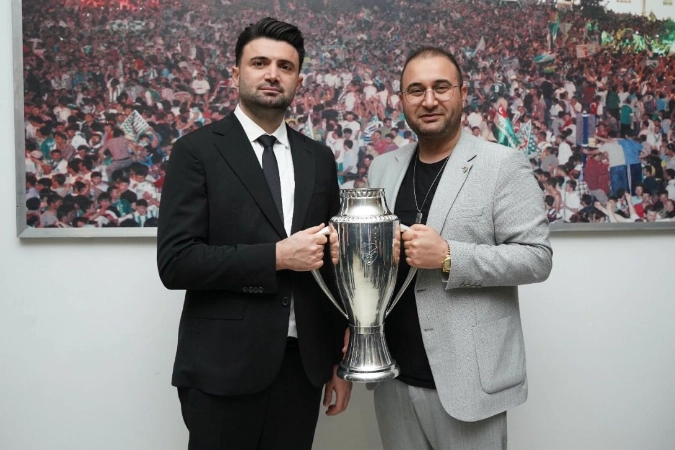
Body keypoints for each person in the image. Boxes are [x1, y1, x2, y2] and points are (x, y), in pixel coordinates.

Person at [156, 17, 351, 450]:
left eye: (285, 66)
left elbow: (330, 268)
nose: (272, 74)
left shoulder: (319, 158)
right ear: (235, 73)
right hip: (222, 368)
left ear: (299, 80)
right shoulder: (196, 151)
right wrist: (277, 256)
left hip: (303, 367)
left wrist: (338, 361)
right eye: (260, 63)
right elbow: (176, 262)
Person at [367, 47, 552, 450]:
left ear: (462, 93)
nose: (429, 100)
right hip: (392, 376)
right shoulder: (382, 168)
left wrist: (449, 256)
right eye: (416, 90)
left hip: (469, 381)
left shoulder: (503, 164)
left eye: (441, 87)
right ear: (402, 100)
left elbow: (536, 258)